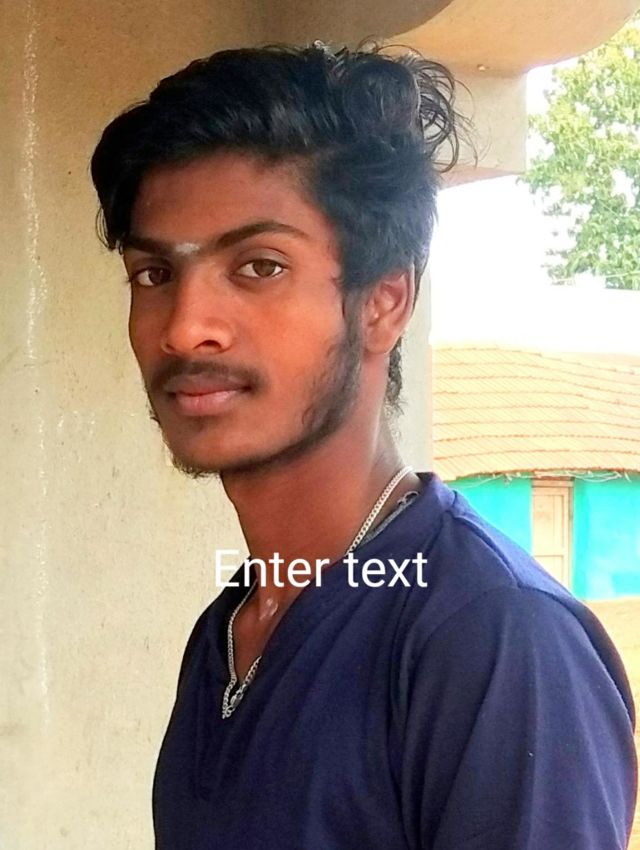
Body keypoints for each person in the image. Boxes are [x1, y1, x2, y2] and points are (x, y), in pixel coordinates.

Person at [90, 44, 637, 849]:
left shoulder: (493, 640)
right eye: (153, 274)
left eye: (259, 266)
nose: (184, 327)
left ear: (384, 302)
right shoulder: (232, 628)